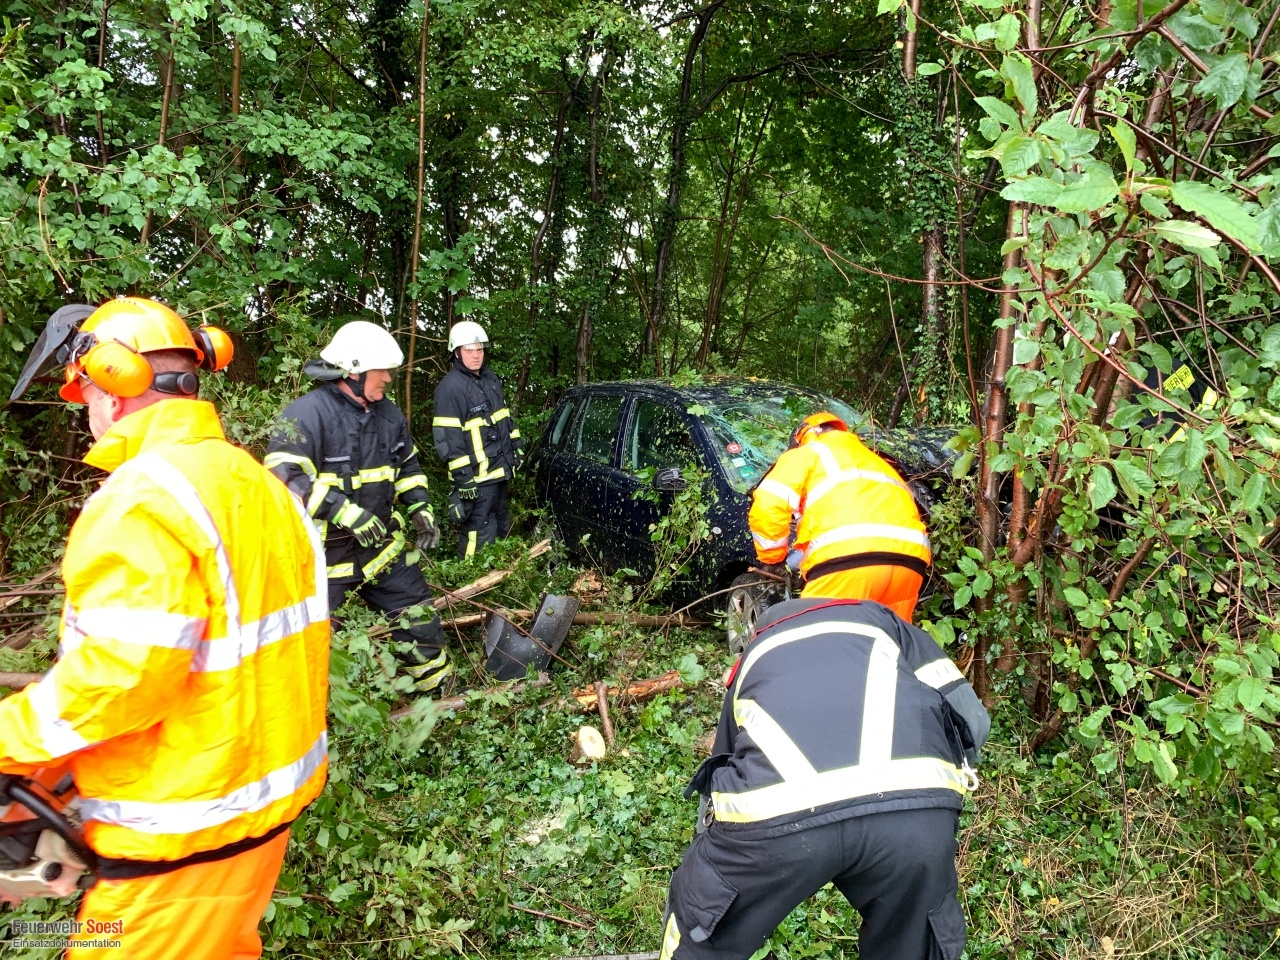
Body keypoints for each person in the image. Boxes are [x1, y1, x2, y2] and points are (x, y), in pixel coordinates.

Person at [0, 297, 330, 960]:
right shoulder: (257, 484)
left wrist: (9, 740)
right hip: (252, 825)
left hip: (174, 842)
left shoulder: (142, 500)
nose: (87, 415)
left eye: (85, 396)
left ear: (112, 387)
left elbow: (122, 680)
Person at [659, 597, 989, 960]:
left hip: (775, 813)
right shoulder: (892, 627)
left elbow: (720, 768)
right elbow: (974, 721)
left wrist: (716, 865)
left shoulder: (756, 652)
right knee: (911, 943)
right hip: (913, 813)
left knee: (700, 932)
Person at [265, 320, 452, 694]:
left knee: (418, 618)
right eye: (380, 370)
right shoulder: (307, 415)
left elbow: (408, 467)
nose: (387, 378)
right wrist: (343, 511)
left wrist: (420, 509)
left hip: (380, 547)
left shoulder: (389, 415)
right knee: (313, 643)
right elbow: (282, 477)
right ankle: (318, 710)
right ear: (353, 371)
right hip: (324, 557)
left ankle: (438, 694)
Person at [748, 411, 931, 620]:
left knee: (822, 635)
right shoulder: (878, 462)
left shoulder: (808, 453)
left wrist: (773, 560)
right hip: (910, 564)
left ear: (803, 437)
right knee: (887, 636)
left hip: (847, 561)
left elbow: (769, 503)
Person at [432, 321, 525, 559]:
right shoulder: (450, 388)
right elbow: (448, 440)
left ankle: (501, 575)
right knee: (477, 535)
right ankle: (471, 576)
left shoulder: (490, 379)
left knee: (502, 530)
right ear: (456, 353)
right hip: (476, 480)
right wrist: (464, 479)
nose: (476, 355)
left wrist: (516, 445)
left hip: (500, 473)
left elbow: (504, 418)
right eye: (469, 350)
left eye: (480, 349)